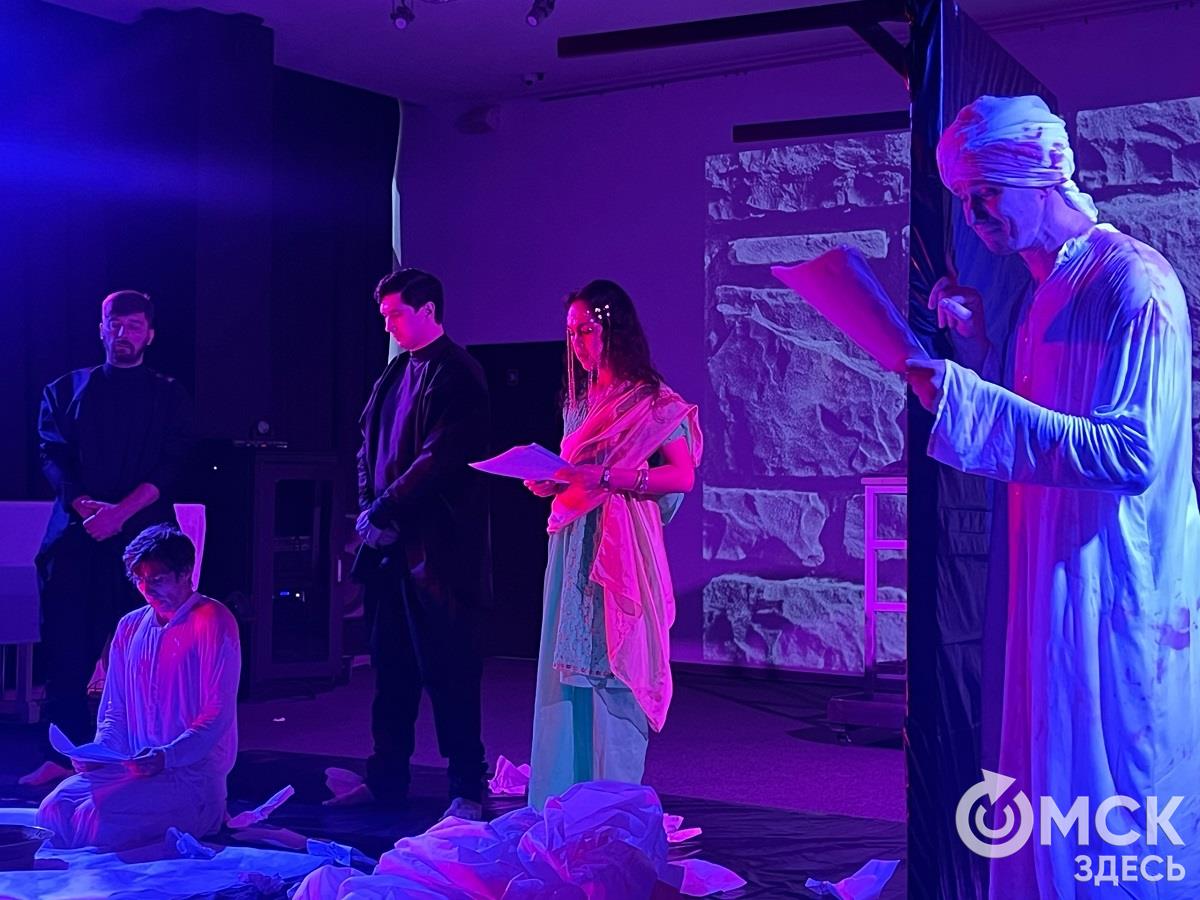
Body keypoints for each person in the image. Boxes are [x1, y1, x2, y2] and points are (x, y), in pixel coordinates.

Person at [907, 95, 1200, 897]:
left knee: (1120, 786)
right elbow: (1048, 423)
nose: (974, 217)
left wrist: (970, 399)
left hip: (1121, 588)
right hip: (1053, 579)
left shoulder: (1134, 283)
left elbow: (1129, 451)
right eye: (964, 198)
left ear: (1041, 173)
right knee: (1048, 777)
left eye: (986, 193)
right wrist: (979, 351)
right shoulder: (1041, 294)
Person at [524, 279, 702, 810]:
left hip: (620, 544)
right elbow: (577, 468)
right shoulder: (579, 401)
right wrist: (555, 481)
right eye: (571, 332)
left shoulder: (649, 400)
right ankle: (567, 803)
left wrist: (609, 477)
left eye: (586, 330)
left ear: (613, 329)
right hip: (574, 541)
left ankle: (612, 805)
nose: (577, 342)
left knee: (615, 666)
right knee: (571, 670)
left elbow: (682, 475)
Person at [332, 268, 491, 820]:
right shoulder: (394, 373)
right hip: (389, 552)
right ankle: (387, 779)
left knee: (450, 670)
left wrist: (385, 510)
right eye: (385, 316)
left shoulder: (459, 372)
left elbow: (440, 457)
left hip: (438, 554)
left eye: (396, 314)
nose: (389, 325)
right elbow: (365, 447)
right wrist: (370, 512)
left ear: (428, 311)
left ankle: (467, 787)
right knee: (390, 671)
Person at [26, 290, 194, 786]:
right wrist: (84, 507)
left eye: (134, 326)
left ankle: (144, 752)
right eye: (115, 325)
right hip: (77, 534)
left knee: (147, 647)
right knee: (66, 645)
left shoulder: (168, 395)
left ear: (150, 335)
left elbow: (172, 463)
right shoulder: (65, 389)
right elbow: (52, 454)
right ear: (101, 329)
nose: (123, 334)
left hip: (143, 537)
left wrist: (120, 514)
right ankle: (62, 755)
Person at [35, 525, 240, 850]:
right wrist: (99, 753)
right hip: (136, 768)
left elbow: (217, 714)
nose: (147, 589)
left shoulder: (212, 619)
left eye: (157, 579)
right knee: (53, 809)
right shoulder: (130, 626)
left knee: (95, 818)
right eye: (140, 580)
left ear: (185, 572)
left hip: (190, 777)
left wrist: (167, 756)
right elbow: (115, 710)